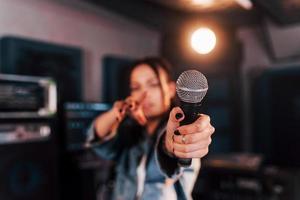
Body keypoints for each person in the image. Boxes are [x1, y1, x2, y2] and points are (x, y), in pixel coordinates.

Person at [85, 57, 215, 200]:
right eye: (136, 87)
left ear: (171, 89)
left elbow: (169, 150)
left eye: (153, 84)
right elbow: (96, 137)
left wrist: (175, 144)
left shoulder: (181, 127)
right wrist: (118, 111)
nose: (144, 94)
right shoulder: (130, 134)